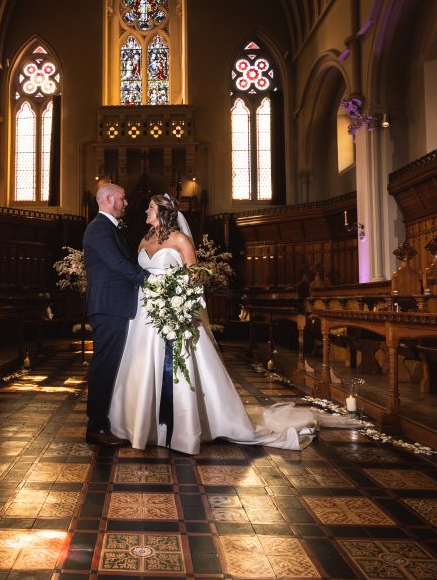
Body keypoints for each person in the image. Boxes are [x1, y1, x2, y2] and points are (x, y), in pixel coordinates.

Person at [108, 193, 356, 455]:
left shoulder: (181, 240)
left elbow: (194, 276)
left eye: (150, 207)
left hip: (174, 311)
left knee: (180, 366)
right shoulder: (143, 240)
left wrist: (176, 296)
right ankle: (141, 423)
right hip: (145, 316)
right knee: (142, 365)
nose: (145, 210)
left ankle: (184, 425)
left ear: (163, 212)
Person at [82, 183, 149, 446]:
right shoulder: (99, 228)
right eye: (122, 198)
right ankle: (95, 427)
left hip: (114, 306)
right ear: (109, 199)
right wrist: (151, 279)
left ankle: (105, 422)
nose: (126, 203)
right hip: (108, 306)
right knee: (105, 365)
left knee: (110, 364)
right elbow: (118, 264)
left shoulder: (109, 227)